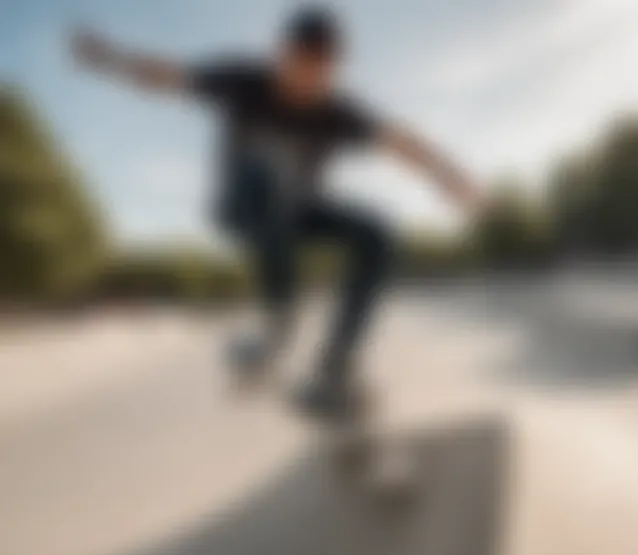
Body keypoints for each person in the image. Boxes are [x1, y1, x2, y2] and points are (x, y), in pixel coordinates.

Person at [71, 6, 483, 417]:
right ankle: (278, 323)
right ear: (283, 55)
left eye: (321, 71)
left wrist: (449, 177)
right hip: (242, 205)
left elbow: (399, 141)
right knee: (268, 167)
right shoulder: (244, 81)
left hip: (300, 214)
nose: (309, 81)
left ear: (333, 69)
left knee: (376, 231)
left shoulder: (338, 111)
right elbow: (171, 77)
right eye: (301, 66)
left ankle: (336, 367)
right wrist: (111, 60)